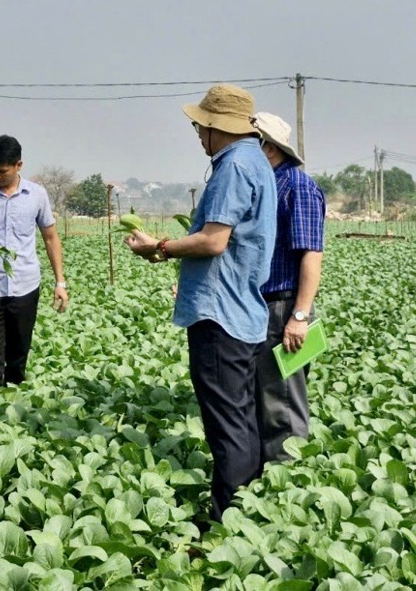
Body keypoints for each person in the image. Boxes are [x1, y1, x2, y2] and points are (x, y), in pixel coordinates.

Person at [123, 84, 277, 523]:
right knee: (242, 418)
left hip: (220, 312)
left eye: (200, 125)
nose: (196, 132)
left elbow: (213, 241)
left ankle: (225, 518)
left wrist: (161, 246)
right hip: (244, 310)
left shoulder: (233, 167)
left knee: (226, 426)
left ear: (217, 128)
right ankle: (246, 511)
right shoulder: (258, 162)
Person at [0, 135, 68, 393]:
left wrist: (60, 282)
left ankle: (13, 403)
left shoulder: (37, 195)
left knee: (18, 353)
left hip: (25, 285)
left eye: (2, 171)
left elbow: (50, 237)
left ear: (18, 165)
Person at [253, 112, 325, 465]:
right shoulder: (267, 185)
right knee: (265, 399)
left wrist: (298, 316)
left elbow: (311, 254)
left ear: (268, 147)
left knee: (281, 403)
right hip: (263, 306)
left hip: (283, 308)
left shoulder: (297, 186)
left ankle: (288, 483)